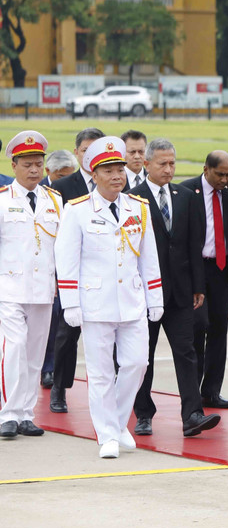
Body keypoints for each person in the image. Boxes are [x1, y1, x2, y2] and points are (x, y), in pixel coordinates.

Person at [55, 136, 163, 458]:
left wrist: (155, 296)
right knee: (101, 373)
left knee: (136, 363)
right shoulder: (77, 211)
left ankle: (116, 423)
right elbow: (67, 258)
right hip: (95, 303)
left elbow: (149, 257)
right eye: (109, 170)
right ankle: (107, 435)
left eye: (120, 169)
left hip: (132, 301)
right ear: (95, 174)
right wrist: (70, 302)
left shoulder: (138, 207)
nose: (118, 176)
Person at [130, 138, 220, 438]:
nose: (169, 170)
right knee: (145, 356)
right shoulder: (133, 198)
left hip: (182, 292)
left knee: (187, 352)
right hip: (147, 293)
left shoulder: (186, 196)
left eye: (172, 164)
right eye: (162, 164)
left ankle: (192, 414)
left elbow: (194, 244)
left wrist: (198, 286)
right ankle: (143, 413)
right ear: (147, 164)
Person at [0, 131, 62, 439]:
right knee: (14, 349)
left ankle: (25, 414)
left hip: (42, 289)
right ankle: (8, 413)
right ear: (14, 165)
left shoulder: (55, 201)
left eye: (38, 163)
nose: (34, 170)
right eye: (27, 164)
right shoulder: (2, 201)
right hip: (8, 289)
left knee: (35, 354)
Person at [181, 151, 228, 408]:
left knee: (219, 331)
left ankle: (211, 391)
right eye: (219, 174)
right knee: (198, 328)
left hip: (222, 269)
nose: (223, 179)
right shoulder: (187, 191)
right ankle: (192, 393)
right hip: (196, 271)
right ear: (206, 169)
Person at [49, 127, 105, 413]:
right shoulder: (61, 188)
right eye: (85, 151)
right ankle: (59, 388)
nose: (90, 156)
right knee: (66, 336)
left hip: (105, 274)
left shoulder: (114, 184)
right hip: (73, 273)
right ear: (77, 152)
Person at [39, 149, 81, 388]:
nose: (66, 179)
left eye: (69, 174)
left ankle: (51, 370)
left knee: (61, 321)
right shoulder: (42, 191)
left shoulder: (74, 189)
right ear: (49, 172)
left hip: (66, 267)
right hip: (43, 267)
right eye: (60, 175)